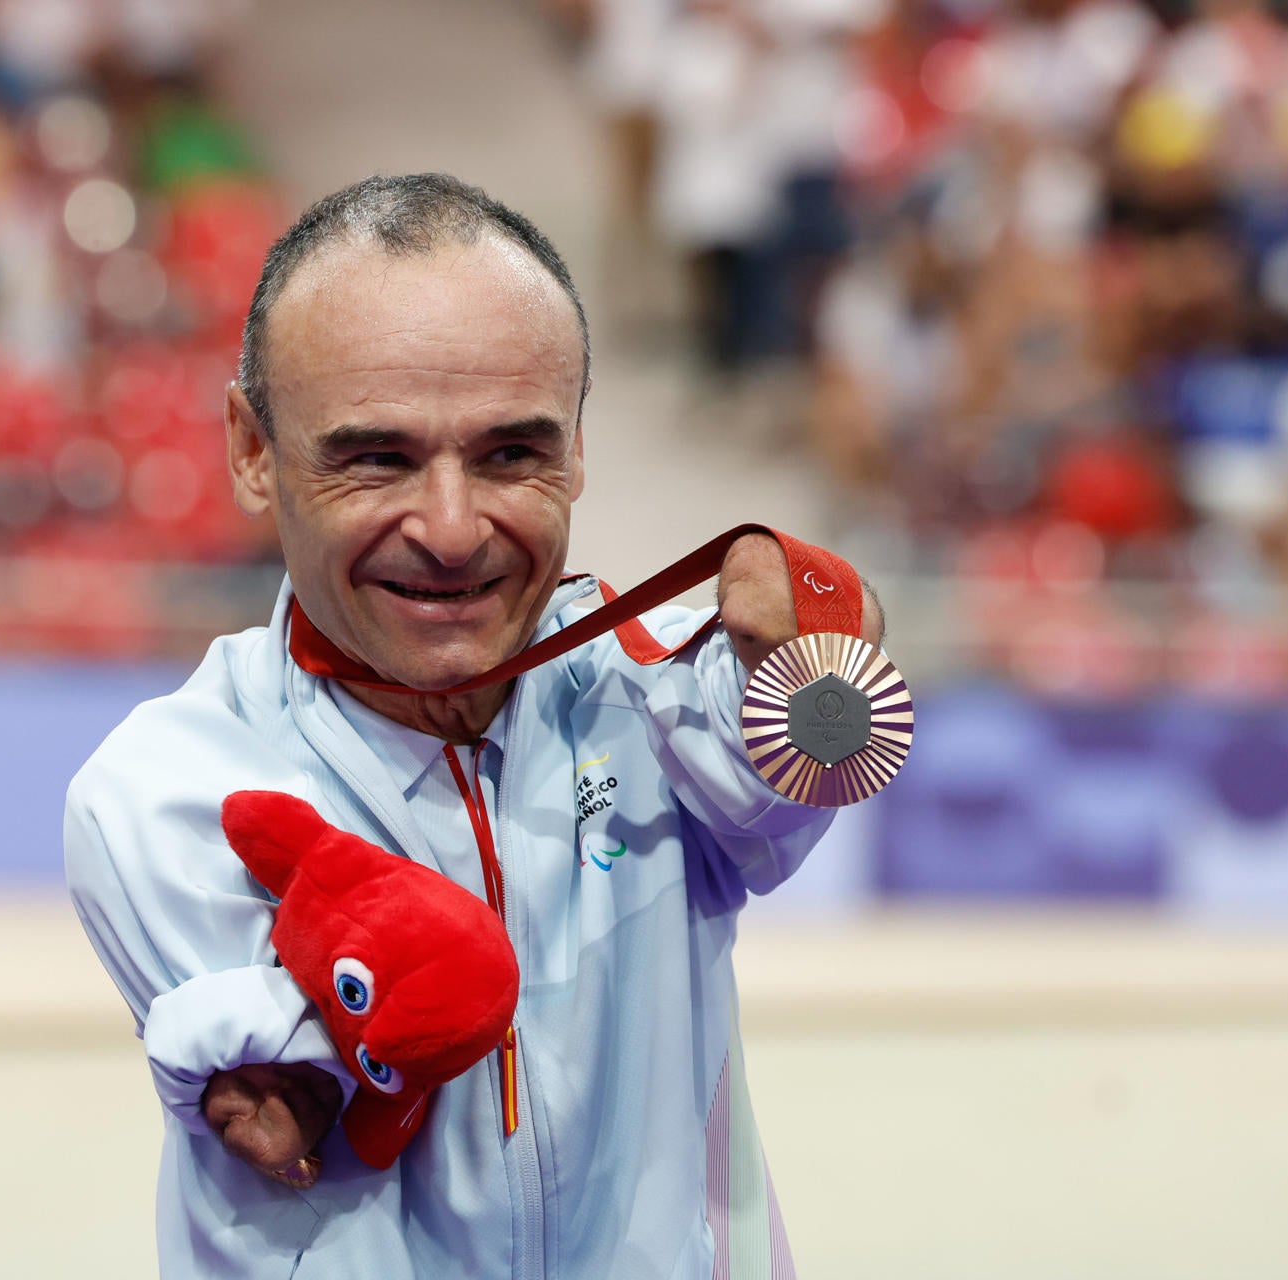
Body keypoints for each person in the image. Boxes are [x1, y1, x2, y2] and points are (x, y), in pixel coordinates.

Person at [63, 172, 884, 1278]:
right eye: (377, 458)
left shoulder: (655, 688)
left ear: (576, 449)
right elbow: (317, 1084)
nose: (452, 531)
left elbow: (801, 768)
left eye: (510, 454)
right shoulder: (165, 793)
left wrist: (827, 632)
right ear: (253, 451)